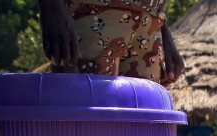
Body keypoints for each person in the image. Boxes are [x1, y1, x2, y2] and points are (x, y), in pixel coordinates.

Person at [37, 0, 184, 85]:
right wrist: (50, 4)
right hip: (92, 12)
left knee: (139, 132)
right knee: (85, 127)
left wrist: (161, 23)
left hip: (150, 24)